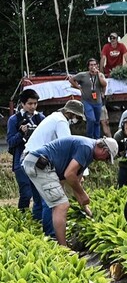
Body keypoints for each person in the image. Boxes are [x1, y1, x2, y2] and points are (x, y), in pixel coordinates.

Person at [22, 136, 118, 245]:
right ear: (103, 149)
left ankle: (54, 240)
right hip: (39, 163)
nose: (104, 161)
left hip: (41, 164)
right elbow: (69, 174)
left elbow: (76, 180)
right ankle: (62, 247)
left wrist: (85, 208)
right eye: (106, 157)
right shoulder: (86, 147)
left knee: (59, 203)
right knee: (61, 205)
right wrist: (83, 194)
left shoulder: (89, 152)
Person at [23, 100, 85, 237]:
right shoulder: (61, 122)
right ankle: (51, 236)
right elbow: (68, 146)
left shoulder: (53, 117)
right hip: (39, 162)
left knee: (39, 201)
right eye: (77, 117)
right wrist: (80, 173)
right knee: (51, 202)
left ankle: (38, 233)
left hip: (28, 160)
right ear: (70, 113)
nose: (77, 120)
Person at [7, 89, 44, 218]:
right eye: (30, 103)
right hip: (20, 161)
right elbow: (10, 142)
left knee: (39, 194)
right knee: (26, 193)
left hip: (37, 161)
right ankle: (21, 220)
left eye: (35, 103)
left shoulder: (40, 118)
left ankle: (37, 219)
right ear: (22, 104)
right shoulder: (14, 119)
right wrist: (21, 134)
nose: (33, 107)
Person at [69, 58, 107, 139]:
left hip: (97, 102)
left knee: (97, 121)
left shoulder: (100, 75)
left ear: (97, 65)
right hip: (87, 101)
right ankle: (89, 137)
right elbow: (71, 79)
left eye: (94, 64)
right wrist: (78, 87)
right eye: (91, 65)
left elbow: (104, 84)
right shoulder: (83, 75)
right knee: (91, 119)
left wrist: (98, 74)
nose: (93, 66)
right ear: (88, 66)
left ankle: (96, 139)